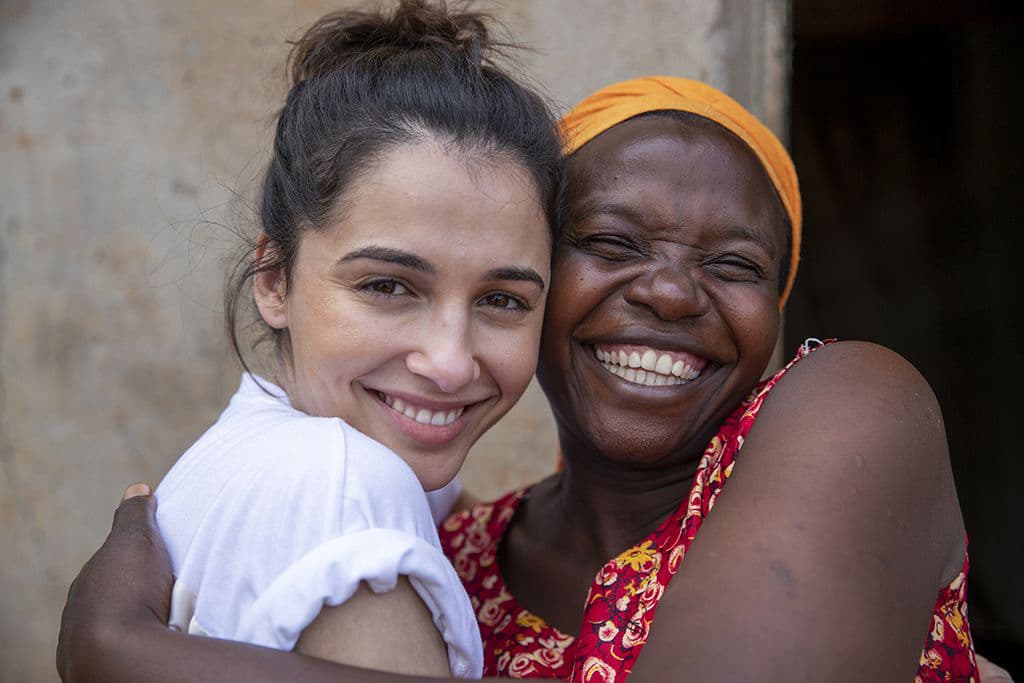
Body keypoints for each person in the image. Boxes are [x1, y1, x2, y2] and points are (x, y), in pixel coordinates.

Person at [58, 77, 985, 682]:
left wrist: (131, 652)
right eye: (611, 242)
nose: (670, 291)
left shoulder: (852, 406)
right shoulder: (446, 556)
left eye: (736, 265)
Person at [137, 0, 562, 678]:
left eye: (502, 300)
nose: (450, 363)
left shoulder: (305, 444)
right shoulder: (344, 492)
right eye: (388, 286)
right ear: (274, 279)